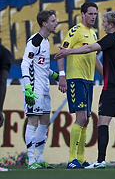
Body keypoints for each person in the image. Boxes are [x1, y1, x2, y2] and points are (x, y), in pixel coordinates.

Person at [55, 10, 115, 169]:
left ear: (111, 24)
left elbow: (89, 49)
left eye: (105, 22)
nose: (103, 25)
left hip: (112, 87)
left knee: (103, 122)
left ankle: (100, 160)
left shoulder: (111, 38)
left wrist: (69, 51)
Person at [57, 2, 103, 169]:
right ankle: (71, 159)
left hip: (89, 80)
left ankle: (81, 158)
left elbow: (95, 58)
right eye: (90, 14)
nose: (93, 17)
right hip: (76, 79)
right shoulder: (75, 31)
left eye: (95, 14)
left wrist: (106, 75)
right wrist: (62, 76)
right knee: (81, 118)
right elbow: (62, 52)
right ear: (82, 14)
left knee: (86, 120)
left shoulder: (92, 33)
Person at [21, 9, 58, 169]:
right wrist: (28, 86)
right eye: (53, 21)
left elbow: (41, 66)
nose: (56, 23)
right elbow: (25, 63)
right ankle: (30, 160)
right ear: (45, 23)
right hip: (34, 87)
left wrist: (55, 75)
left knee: (45, 122)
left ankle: (40, 158)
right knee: (33, 121)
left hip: (44, 87)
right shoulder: (34, 41)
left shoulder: (46, 41)